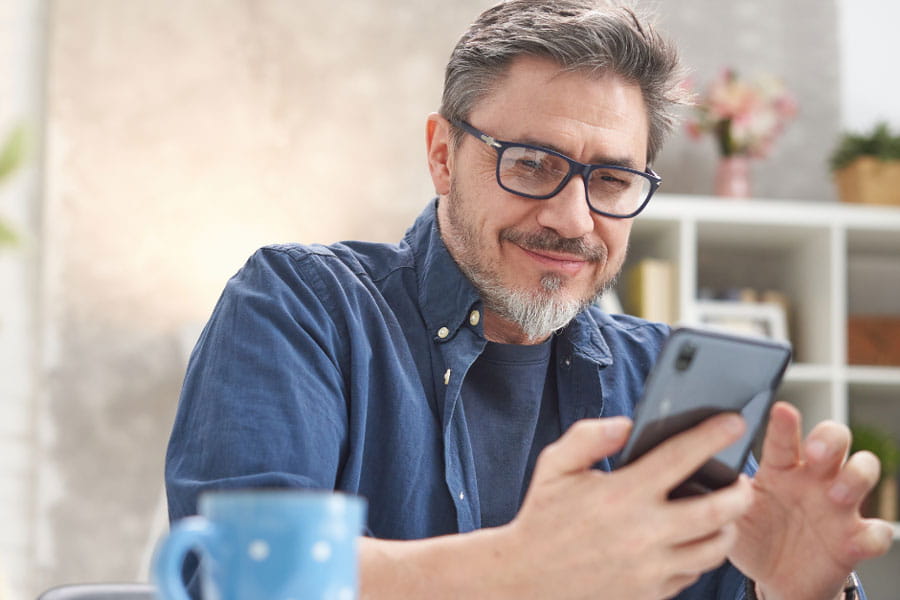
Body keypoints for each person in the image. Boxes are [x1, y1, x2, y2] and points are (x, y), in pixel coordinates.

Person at [165, 1, 893, 598]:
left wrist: (799, 592)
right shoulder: (304, 308)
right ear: (443, 155)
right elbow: (239, 579)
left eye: (611, 180)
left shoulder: (661, 378)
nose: (574, 220)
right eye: (533, 163)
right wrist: (520, 569)